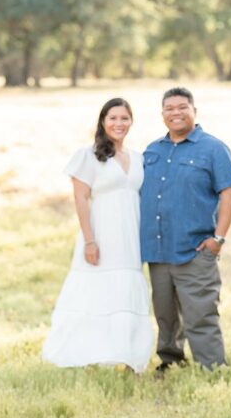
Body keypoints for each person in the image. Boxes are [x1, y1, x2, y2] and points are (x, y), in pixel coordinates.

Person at [43, 98, 154, 373]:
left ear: (132, 122)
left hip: (129, 238)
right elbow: (81, 199)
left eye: (124, 118)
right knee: (95, 294)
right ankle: (86, 354)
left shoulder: (138, 158)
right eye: (113, 118)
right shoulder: (88, 156)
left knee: (125, 294)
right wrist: (90, 240)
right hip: (101, 235)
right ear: (103, 121)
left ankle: (130, 357)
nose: (119, 123)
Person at [140, 87, 231, 371]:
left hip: (195, 250)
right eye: (169, 109)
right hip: (158, 251)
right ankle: (170, 362)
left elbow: (229, 194)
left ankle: (213, 368)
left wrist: (218, 238)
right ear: (162, 115)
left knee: (200, 314)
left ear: (194, 111)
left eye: (182, 107)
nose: (176, 113)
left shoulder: (213, 148)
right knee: (165, 314)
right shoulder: (152, 150)